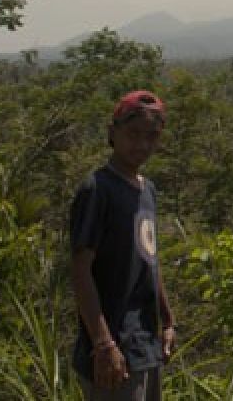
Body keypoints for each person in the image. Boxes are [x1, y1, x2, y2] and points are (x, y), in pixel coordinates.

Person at [70, 90, 177, 400]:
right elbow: (80, 270)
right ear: (112, 132)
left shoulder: (147, 190)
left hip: (145, 345)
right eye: (133, 133)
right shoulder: (97, 190)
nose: (141, 144)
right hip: (114, 350)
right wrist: (103, 343)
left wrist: (168, 321)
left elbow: (149, 261)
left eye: (151, 136)